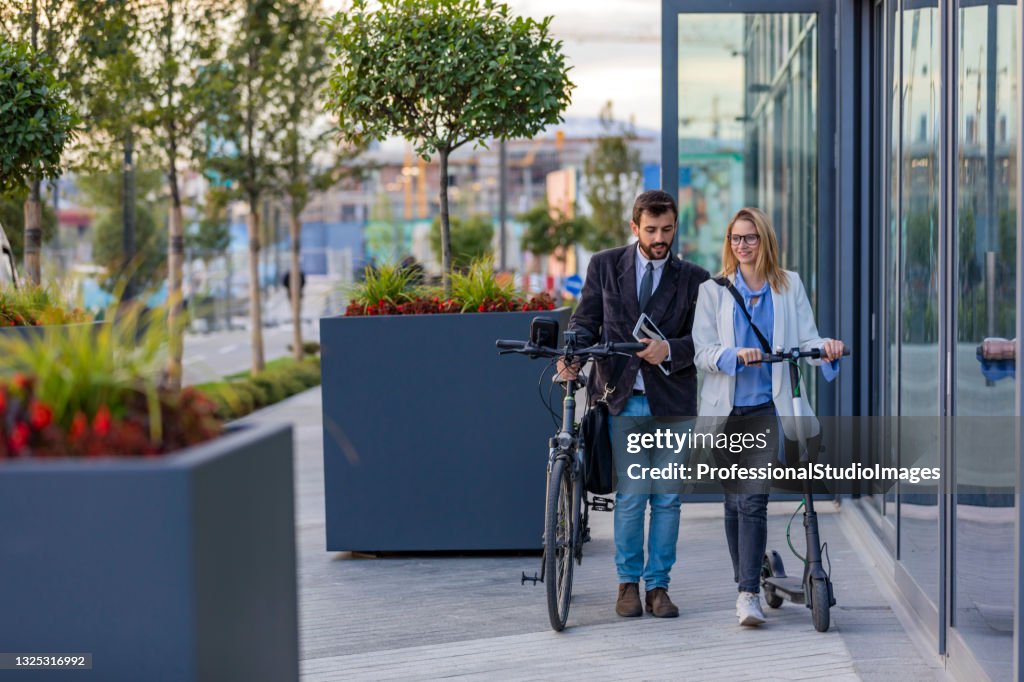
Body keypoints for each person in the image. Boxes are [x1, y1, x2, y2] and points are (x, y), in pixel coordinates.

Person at [560, 189, 709, 619]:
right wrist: (573, 356)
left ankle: (658, 588)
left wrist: (672, 350)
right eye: (651, 230)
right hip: (622, 398)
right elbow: (586, 322)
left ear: (676, 226)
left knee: (667, 500)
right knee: (630, 498)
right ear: (634, 227)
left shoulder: (695, 279)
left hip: (672, 401)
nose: (660, 238)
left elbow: (707, 340)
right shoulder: (605, 266)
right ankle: (627, 584)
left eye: (667, 229)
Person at [692, 207, 844, 627]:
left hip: (767, 409)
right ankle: (752, 572)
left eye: (750, 237)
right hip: (726, 411)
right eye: (736, 238)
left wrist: (827, 347)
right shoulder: (714, 290)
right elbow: (701, 353)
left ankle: (747, 595)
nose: (742, 245)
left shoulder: (788, 285)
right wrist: (731, 355)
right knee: (734, 503)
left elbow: (806, 339)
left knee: (752, 499)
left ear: (765, 240)